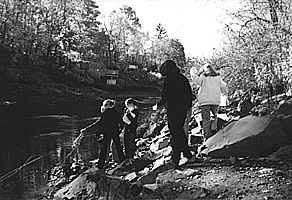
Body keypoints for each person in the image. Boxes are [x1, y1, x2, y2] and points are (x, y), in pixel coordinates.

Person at [153, 60, 196, 169]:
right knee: (179, 130)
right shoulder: (183, 78)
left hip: (173, 108)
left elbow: (165, 97)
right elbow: (189, 93)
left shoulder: (168, 80)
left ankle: (176, 157)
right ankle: (187, 153)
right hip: (183, 108)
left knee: (174, 132)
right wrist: (188, 106)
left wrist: (158, 105)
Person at [74, 99, 125, 169]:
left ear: (107, 106)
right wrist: (120, 130)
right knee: (118, 146)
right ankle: (122, 160)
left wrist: (86, 129)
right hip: (115, 132)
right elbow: (121, 122)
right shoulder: (116, 112)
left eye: (104, 105)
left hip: (107, 133)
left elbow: (98, 124)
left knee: (104, 149)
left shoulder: (105, 113)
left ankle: (101, 164)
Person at [190, 63, 228, 140]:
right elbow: (223, 87)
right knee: (214, 116)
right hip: (215, 100)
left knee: (206, 119)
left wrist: (193, 71)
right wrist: (225, 94)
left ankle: (207, 135)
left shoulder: (203, 77)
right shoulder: (218, 77)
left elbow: (196, 79)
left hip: (205, 101)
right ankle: (214, 130)